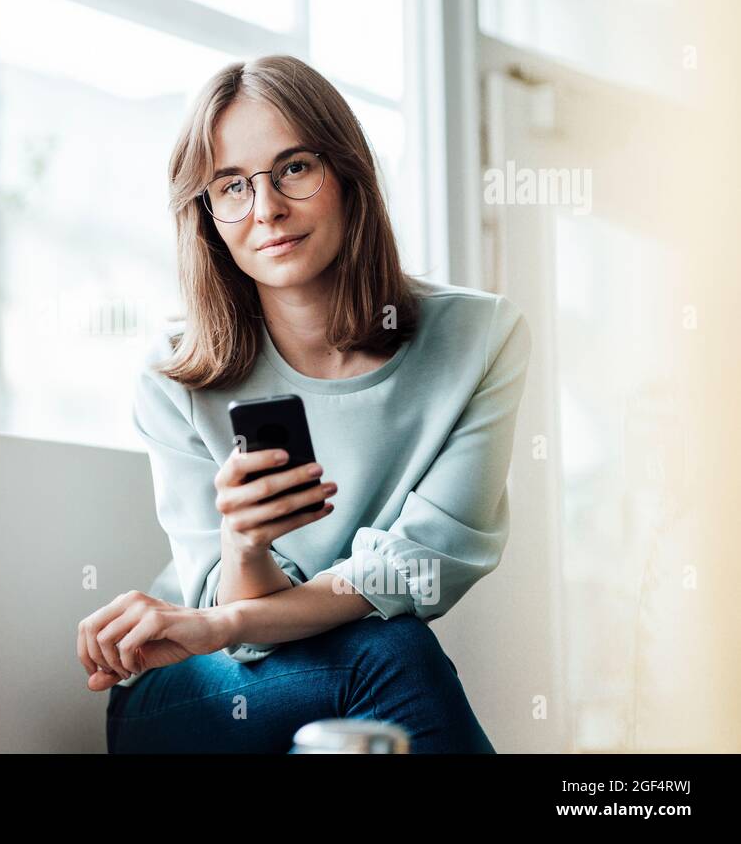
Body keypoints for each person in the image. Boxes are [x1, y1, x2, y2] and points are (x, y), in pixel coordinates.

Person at [75, 55, 531, 753]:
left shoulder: (482, 340)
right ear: (208, 215)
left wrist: (231, 619)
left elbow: (418, 569)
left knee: (384, 658)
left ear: (347, 173)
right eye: (232, 186)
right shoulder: (175, 378)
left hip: (292, 650)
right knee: (391, 653)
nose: (267, 211)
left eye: (293, 168)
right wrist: (243, 544)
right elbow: (229, 628)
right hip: (193, 681)